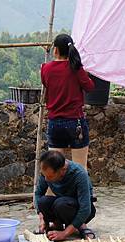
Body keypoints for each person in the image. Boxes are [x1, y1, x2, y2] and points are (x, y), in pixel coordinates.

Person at [41, 33, 95, 171]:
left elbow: (47, 84)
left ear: (56, 50)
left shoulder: (45, 69)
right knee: (80, 168)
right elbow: (89, 87)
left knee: (55, 169)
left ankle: (55, 193)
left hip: (55, 123)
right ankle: (81, 192)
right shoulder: (76, 69)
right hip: (75, 122)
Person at [35, 150, 96, 241]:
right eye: (45, 176)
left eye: (50, 176)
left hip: (81, 210)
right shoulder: (47, 172)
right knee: (43, 201)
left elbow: (85, 209)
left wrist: (64, 234)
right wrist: (42, 218)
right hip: (62, 205)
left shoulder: (79, 174)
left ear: (62, 170)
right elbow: (38, 194)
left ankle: (81, 225)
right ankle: (57, 225)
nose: (46, 179)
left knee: (61, 203)